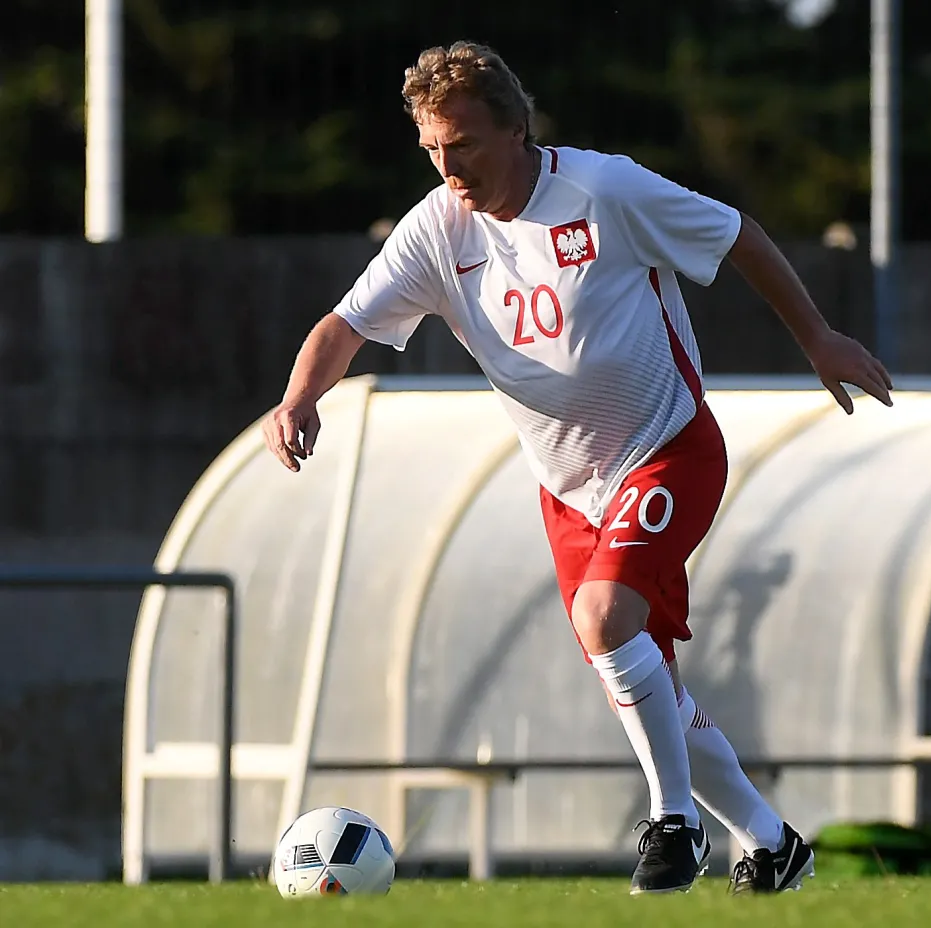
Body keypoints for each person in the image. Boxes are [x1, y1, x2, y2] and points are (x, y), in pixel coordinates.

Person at [261, 40, 894, 896]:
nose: (449, 166)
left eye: (464, 144)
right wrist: (299, 397)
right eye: (432, 148)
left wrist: (818, 338)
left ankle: (673, 825)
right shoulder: (437, 231)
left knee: (605, 619)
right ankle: (772, 844)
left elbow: (736, 233)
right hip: (568, 491)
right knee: (645, 680)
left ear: (516, 129)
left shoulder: (606, 190)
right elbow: (344, 324)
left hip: (667, 448)